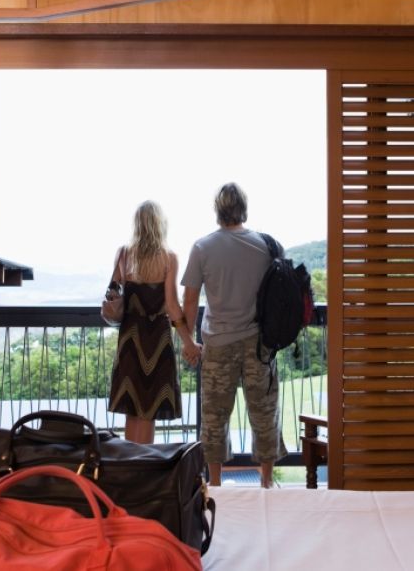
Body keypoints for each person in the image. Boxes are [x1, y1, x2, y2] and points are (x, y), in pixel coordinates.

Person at [181, 183, 286, 488]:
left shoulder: (202, 248)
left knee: (214, 416)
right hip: (258, 344)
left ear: (218, 210)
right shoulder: (266, 245)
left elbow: (190, 301)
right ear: (243, 207)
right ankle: (266, 482)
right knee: (264, 412)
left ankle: (215, 484)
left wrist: (188, 341)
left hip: (218, 344)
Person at [107, 201, 192, 444]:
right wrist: (189, 342)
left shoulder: (124, 254)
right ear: (160, 224)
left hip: (130, 338)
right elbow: (172, 306)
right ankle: (144, 469)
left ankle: (130, 469)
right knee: (149, 410)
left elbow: (112, 293)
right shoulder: (169, 258)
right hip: (157, 339)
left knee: (132, 409)